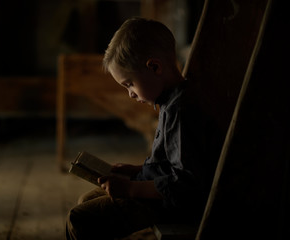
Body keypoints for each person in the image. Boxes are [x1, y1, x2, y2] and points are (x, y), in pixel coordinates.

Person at [66, 17, 220, 240]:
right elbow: (172, 162)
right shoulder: (172, 101)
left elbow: (185, 184)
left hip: (169, 204)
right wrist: (136, 170)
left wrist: (130, 190)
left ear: (154, 67)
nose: (129, 93)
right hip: (157, 191)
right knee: (87, 201)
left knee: (79, 218)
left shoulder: (180, 110)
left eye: (129, 84)